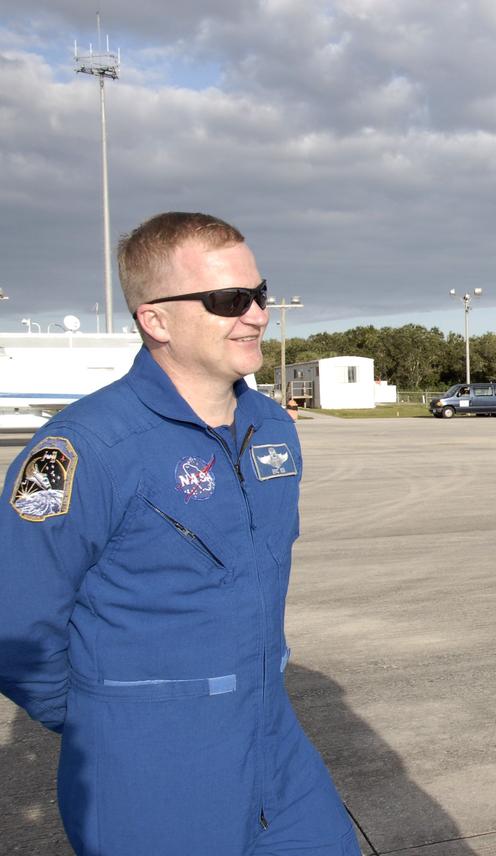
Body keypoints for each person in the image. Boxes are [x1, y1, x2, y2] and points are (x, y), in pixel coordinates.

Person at [0, 213, 358, 855]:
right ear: (155, 320)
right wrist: (109, 719)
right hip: (150, 766)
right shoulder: (87, 448)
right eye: (227, 301)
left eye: (259, 294)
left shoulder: (273, 427)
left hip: (272, 741)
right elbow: (14, 624)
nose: (255, 315)